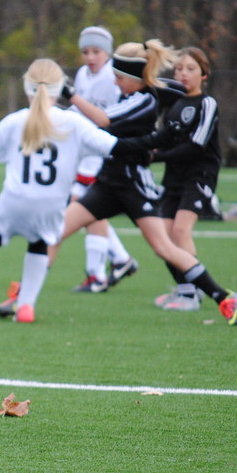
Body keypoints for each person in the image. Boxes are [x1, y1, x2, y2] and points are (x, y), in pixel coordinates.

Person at [53, 41, 237, 326]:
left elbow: (103, 121)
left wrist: (69, 94)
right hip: (107, 183)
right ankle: (22, 298)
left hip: (133, 186)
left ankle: (222, 297)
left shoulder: (143, 100)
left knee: (165, 247)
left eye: (119, 77)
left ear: (133, 77)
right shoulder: (128, 96)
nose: (115, 83)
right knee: (54, 233)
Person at [0, 58, 119, 324]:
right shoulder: (73, 123)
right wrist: (152, 146)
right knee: (40, 244)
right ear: (60, 88)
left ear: (27, 88)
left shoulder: (15, 121)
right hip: (50, 205)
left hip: (15, 201)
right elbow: (112, 145)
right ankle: (25, 308)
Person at [114, 47, 223, 311]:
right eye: (179, 69)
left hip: (200, 175)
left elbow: (196, 146)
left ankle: (192, 294)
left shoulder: (207, 104)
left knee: (180, 231)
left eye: (190, 69)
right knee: (163, 239)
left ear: (204, 74)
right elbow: (164, 137)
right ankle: (185, 289)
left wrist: (156, 156)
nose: (183, 74)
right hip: (174, 177)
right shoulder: (175, 104)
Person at [67, 26, 138, 293]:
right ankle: (119, 259)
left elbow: (108, 118)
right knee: (86, 208)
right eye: (85, 51)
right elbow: (78, 110)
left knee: (86, 207)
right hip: (85, 151)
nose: (90, 57)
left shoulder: (113, 77)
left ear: (107, 52)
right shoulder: (83, 75)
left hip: (103, 151)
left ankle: (99, 274)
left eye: (96, 51)